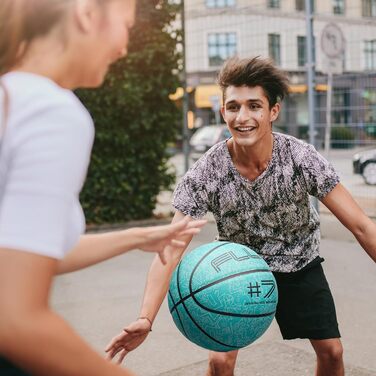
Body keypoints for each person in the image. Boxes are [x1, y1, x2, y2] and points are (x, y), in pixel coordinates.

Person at [106, 56, 376, 375]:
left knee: (332, 352)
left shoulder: (300, 158)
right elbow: (172, 246)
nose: (243, 117)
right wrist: (146, 317)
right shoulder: (208, 171)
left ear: (273, 111)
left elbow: (360, 225)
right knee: (220, 361)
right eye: (233, 107)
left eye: (254, 106)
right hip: (237, 269)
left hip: (298, 263)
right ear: (223, 112)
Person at [0, 1, 207, 375]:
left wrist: (136, 236)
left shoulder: (12, 95)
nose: (124, 47)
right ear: (86, 13)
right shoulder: (50, 111)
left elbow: (21, 256)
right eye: (126, 25)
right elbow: (15, 319)